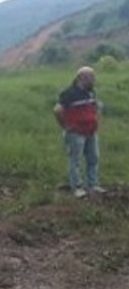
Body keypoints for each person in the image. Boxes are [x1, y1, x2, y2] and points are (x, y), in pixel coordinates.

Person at [53, 66, 103, 198]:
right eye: (91, 77)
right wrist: (65, 126)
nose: (94, 80)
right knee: (75, 160)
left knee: (93, 158)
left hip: (91, 132)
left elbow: (95, 107)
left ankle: (92, 185)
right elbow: (57, 110)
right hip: (75, 133)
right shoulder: (68, 93)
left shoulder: (91, 92)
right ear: (82, 78)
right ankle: (77, 187)